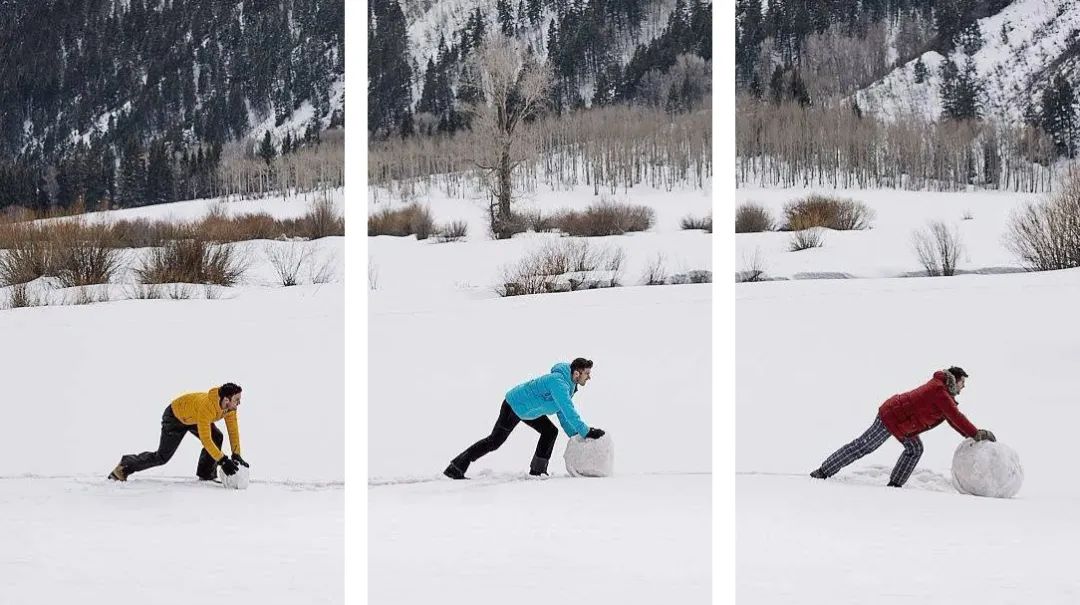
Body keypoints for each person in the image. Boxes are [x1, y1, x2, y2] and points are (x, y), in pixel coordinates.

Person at [810, 367, 996, 487]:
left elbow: (952, 418)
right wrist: (976, 433)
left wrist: (972, 434)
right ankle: (823, 471)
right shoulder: (939, 392)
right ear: (954, 380)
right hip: (891, 417)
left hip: (905, 423)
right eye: (963, 382)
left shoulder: (942, 391)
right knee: (863, 446)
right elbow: (955, 417)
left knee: (915, 449)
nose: (964, 387)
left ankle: (895, 486)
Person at [444, 358, 605, 480]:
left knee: (550, 431)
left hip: (530, 412)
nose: (589, 377)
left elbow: (563, 415)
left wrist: (575, 436)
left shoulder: (568, 388)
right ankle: (456, 467)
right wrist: (586, 431)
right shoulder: (558, 383)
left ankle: (537, 471)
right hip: (514, 405)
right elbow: (569, 411)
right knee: (494, 441)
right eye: (587, 373)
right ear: (576, 373)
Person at [108, 383, 250, 482]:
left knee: (217, 436)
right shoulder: (206, 407)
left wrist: (236, 454)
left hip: (192, 418)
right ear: (226, 399)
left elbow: (233, 430)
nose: (239, 403)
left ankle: (206, 474)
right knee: (162, 457)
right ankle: (125, 465)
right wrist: (223, 460)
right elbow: (206, 439)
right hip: (174, 417)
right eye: (237, 400)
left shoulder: (230, 409)